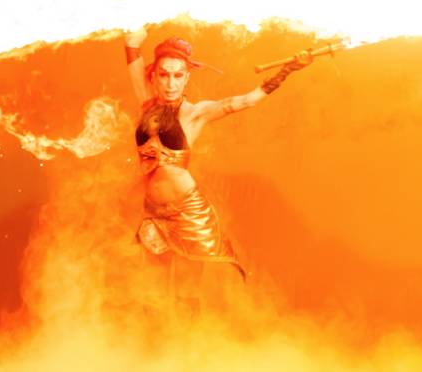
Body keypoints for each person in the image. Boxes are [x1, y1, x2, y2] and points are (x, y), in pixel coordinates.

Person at [124, 28, 312, 309]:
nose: (171, 83)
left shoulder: (195, 113)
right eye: (164, 75)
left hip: (187, 213)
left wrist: (289, 69)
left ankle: (190, 339)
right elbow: (132, 50)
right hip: (154, 212)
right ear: (154, 76)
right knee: (152, 291)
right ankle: (154, 339)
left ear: (187, 77)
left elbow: (246, 101)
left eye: (178, 75)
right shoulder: (146, 104)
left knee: (187, 292)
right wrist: (133, 35)